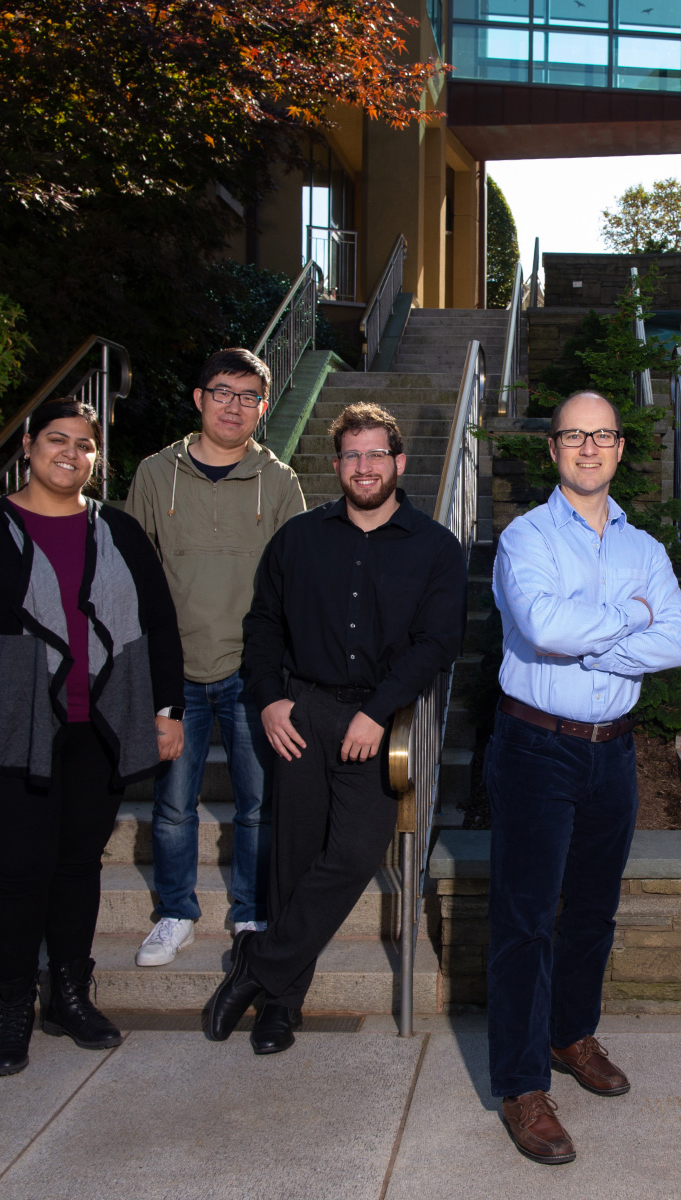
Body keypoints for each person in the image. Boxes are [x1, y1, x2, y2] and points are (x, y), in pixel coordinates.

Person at [0, 399, 185, 1077]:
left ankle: (71, 992)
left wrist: (167, 709)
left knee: (77, 868)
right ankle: (12, 1007)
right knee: (14, 872)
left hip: (95, 728)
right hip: (8, 730)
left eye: (86, 445)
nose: (72, 453)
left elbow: (159, 623)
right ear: (30, 446)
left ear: (98, 458)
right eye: (58, 440)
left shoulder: (120, 532)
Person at [203, 402, 466, 1055]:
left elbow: (438, 643)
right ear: (337, 464)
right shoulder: (299, 537)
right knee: (294, 858)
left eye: (377, 454)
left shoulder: (435, 547)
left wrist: (379, 712)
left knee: (351, 854)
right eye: (352, 455)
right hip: (302, 712)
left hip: (379, 716)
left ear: (399, 463)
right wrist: (267, 700)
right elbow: (263, 625)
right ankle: (280, 1007)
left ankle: (256, 966)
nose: (364, 466)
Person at [486, 391, 681, 1165]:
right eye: (574, 434)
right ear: (554, 449)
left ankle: (571, 1034)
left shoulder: (643, 548)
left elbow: (677, 641)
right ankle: (520, 1084)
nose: (589, 447)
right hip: (537, 745)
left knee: (594, 911)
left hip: (614, 750)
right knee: (526, 918)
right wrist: (631, 621)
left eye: (603, 434)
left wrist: (596, 638)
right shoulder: (524, 536)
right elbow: (543, 629)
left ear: (619, 446)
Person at [125, 348, 306, 965]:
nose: (235, 405)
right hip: (175, 668)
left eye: (249, 395)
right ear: (199, 397)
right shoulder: (155, 473)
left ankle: (251, 913)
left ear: (262, 405)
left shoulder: (279, 480)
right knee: (173, 804)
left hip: (250, 672)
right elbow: (135, 575)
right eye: (223, 392)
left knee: (258, 803)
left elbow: (293, 582)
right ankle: (176, 912)